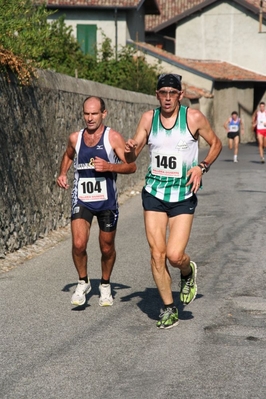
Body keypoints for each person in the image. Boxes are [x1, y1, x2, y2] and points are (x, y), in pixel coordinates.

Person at [124, 73, 222, 329]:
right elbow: (133, 154)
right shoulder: (149, 118)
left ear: (180, 95)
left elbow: (216, 144)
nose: (167, 98)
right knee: (157, 255)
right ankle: (169, 308)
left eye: (172, 93)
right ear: (157, 95)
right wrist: (129, 149)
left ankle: (187, 272)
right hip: (154, 193)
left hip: (183, 194)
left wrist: (202, 166)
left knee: (174, 255)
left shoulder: (193, 118)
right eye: (162, 93)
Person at [57, 96, 136, 307]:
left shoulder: (113, 137)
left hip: (106, 201)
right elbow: (68, 154)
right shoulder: (76, 137)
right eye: (86, 114)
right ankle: (83, 282)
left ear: (104, 113)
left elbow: (131, 166)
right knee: (78, 243)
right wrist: (63, 173)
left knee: (107, 247)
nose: (90, 118)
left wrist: (110, 166)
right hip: (82, 198)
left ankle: (105, 284)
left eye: (94, 114)